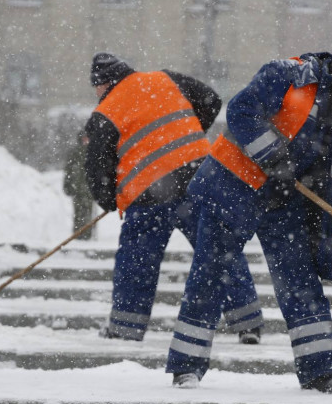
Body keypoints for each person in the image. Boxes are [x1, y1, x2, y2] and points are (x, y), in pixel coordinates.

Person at [165, 43, 332, 394]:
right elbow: (242, 111)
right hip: (236, 187)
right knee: (210, 273)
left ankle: (320, 372)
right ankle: (186, 368)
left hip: (288, 200)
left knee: (302, 283)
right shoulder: (288, 75)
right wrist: (273, 155)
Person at [82, 52, 263, 344]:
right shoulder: (164, 79)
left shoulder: (104, 112)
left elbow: (96, 169)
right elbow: (211, 100)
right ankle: (247, 323)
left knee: (137, 262)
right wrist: (188, 137)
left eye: (96, 89)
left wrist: (109, 200)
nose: (97, 95)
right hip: (198, 178)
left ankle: (126, 328)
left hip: (147, 194)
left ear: (103, 84)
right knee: (218, 249)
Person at [61, 129, 95, 238]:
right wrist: (67, 184)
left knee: (88, 212)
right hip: (77, 188)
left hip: (89, 189)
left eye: (87, 138)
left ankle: (87, 234)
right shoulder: (75, 153)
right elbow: (68, 171)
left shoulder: (94, 153)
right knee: (78, 213)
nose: (85, 141)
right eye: (83, 138)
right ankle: (78, 234)